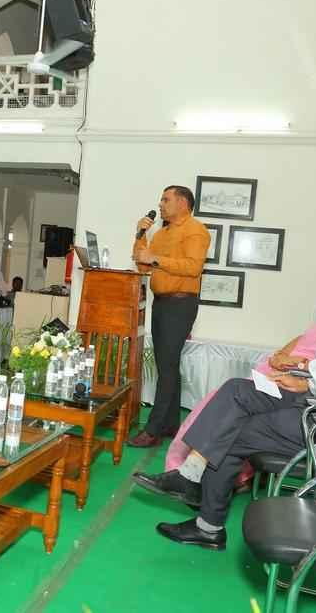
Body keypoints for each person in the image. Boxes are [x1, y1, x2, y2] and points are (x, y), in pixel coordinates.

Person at [134, 252, 316, 550]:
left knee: (234, 428)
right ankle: (190, 475)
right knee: (238, 390)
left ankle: (208, 527)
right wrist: (306, 376)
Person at [164, 304, 316, 486]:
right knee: (222, 395)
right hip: (273, 376)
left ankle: (209, 476)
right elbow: (281, 354)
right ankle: (190, 469)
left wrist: (298, 365)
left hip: (299, 390)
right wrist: (281, 360)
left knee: (236, 402)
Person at [128, 185, 210, 448]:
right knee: (167, 366)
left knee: (168, 365)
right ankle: (171, 424)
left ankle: (153, 430)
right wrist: (141, 235)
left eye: (166, 199)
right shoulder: (161, 233)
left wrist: (156, 258)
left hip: (181, 304)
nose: (160, 204)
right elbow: (142, 263)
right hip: (162, 303)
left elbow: (193, 267)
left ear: (183, 203)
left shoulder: (196, 230)